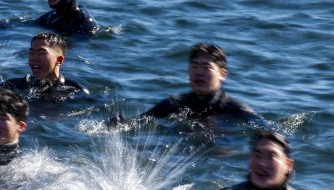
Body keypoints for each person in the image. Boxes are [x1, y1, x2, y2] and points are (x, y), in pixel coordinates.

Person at [113, 43, 268, 129]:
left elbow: (266, 128)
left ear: (223, 74)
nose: (199, 72)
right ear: (188, 71)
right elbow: (139, 122)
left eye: (206, 67)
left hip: (218, 151)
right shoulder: (174, 104)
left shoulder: (233, 108)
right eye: (194, 66)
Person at [195, 130, 308, 190]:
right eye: (257, 155)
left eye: (271, 156)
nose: (262, 164)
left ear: (288, 165)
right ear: (249, 160)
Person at [0, 32, 89, 101]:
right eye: (31, 53)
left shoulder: (77, 92)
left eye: (41, 53)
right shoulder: (11, 87)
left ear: (59, 60)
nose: (34, 58)